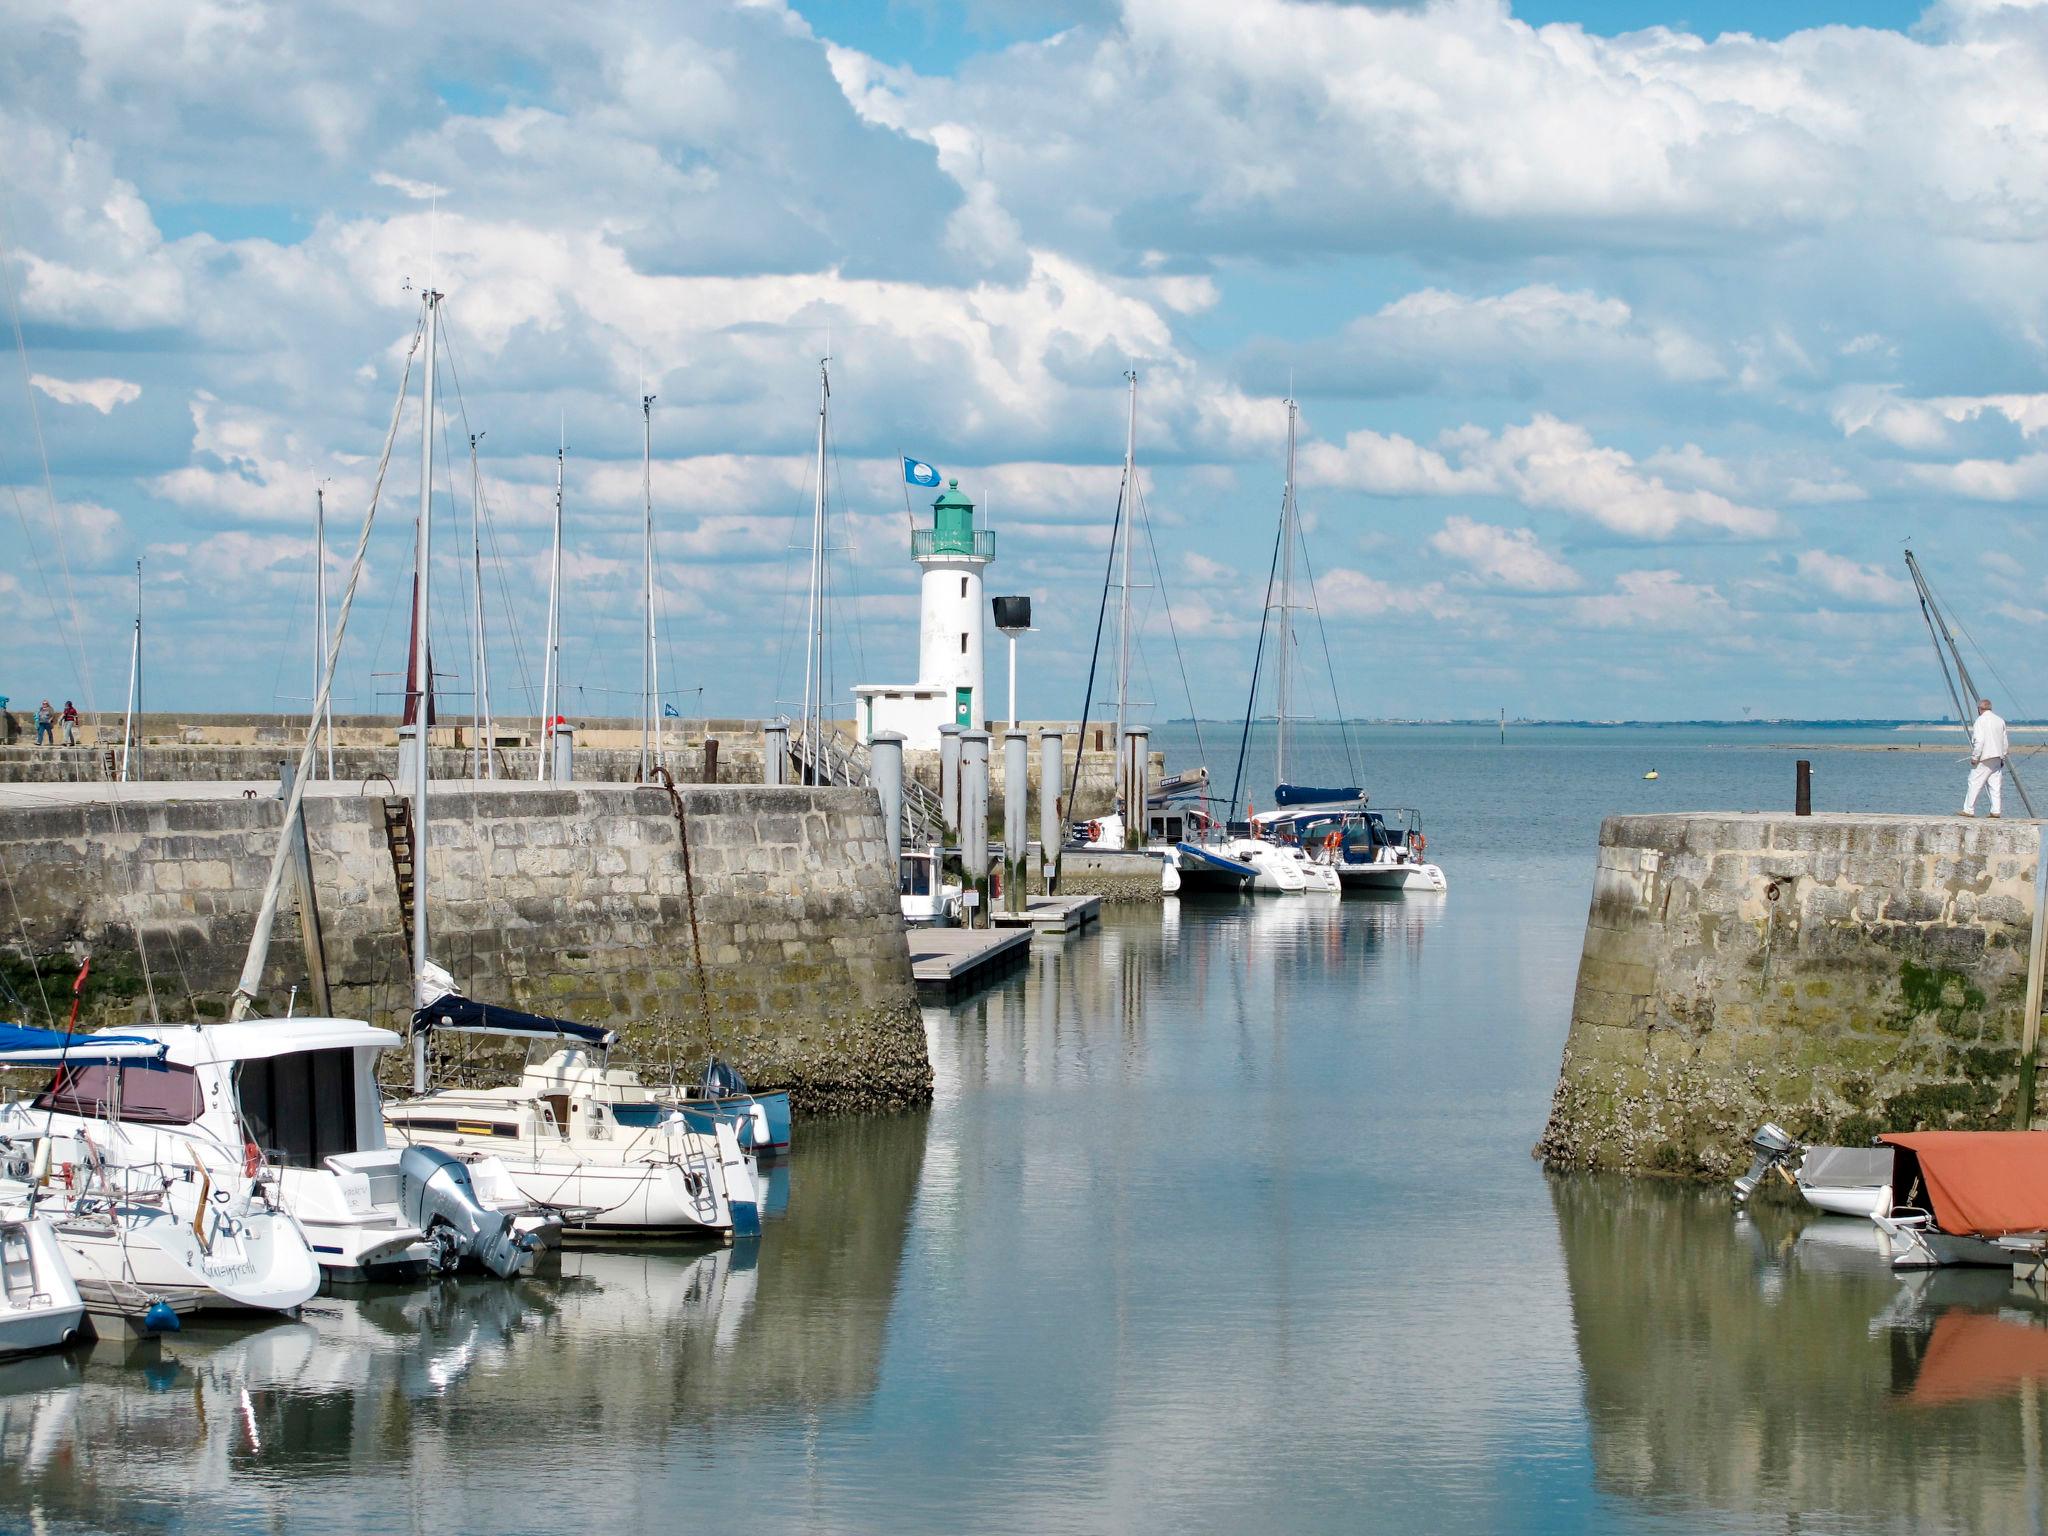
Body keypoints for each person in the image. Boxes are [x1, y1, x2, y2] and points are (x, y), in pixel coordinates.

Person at [1965, 697, 2009, 818]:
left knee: (1974, 782)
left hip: (1984, 757)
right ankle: (1996, 810)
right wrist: (2003, 756)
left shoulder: (1980, 721)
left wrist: (1975, 756)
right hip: (1997, 756)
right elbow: (2004, 741)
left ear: (1980, 709)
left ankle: (1969, 809)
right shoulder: (2000, 720)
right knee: (1995, 785)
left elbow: (1979, 741)